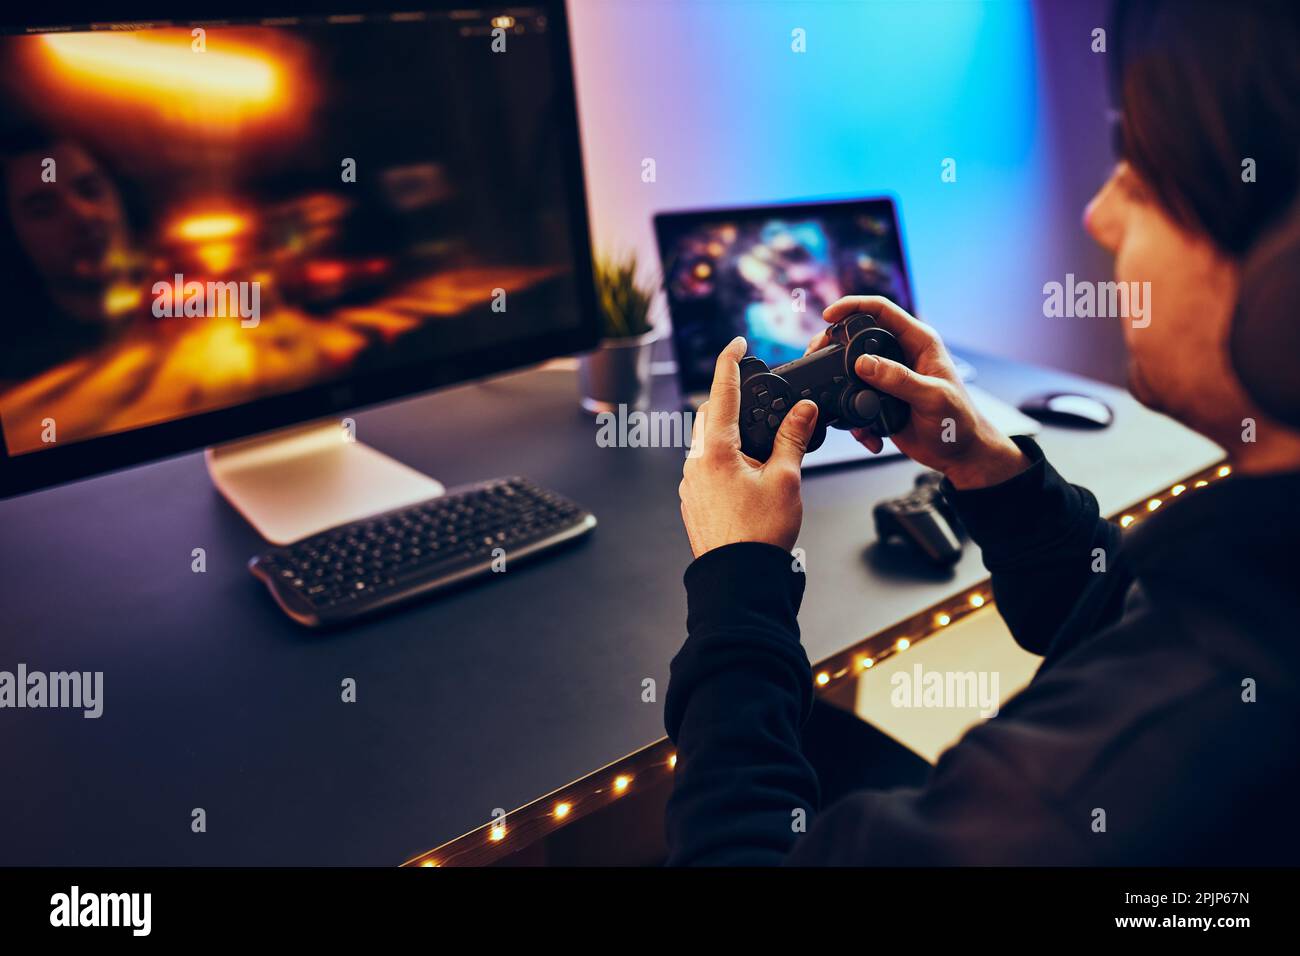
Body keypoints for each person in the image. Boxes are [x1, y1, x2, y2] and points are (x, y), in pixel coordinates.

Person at [666, 0, 1300, 865]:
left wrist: (737, 582)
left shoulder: (1118, 767)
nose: (1100, 216)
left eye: (1144, 181)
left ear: (1285, 288)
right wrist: (990, 470)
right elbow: (1113, 621)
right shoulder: (1249, 580)